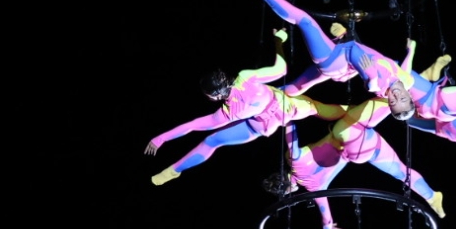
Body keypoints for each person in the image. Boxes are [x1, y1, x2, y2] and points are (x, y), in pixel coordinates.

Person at [145, 29, 344, 185]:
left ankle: (173, 171)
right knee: (307, 96)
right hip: (280, 103)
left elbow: (193, 125)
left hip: (263, 123)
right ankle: (335, 64)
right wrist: (278, 41)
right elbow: (281, 69)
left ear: (215, 96)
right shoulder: (246, 78)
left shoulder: (228, 113)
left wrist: (161, 138)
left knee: (212, 141)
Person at [242, 0, 415, 105]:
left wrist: (371, 77)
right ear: (409, 95)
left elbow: (359, 61)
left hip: (336, 61)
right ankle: (260, 97)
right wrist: (411, 51)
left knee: (305, 21)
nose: (395, 96)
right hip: (341, 67)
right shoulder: (406, 81)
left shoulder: (379, 84)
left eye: (393, 102)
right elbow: (405, 71)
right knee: (298, 86)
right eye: (402, 98)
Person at [282, 106, 445, 229]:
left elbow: (326, 217)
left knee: (401, 172)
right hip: (349, 134)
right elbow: (291, 135)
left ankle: (432, 197)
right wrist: (287, 115)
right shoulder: (295, 160)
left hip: (363, 151)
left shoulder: (314, 188)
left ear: (288, 189)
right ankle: (431, 196)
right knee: (386, 103)